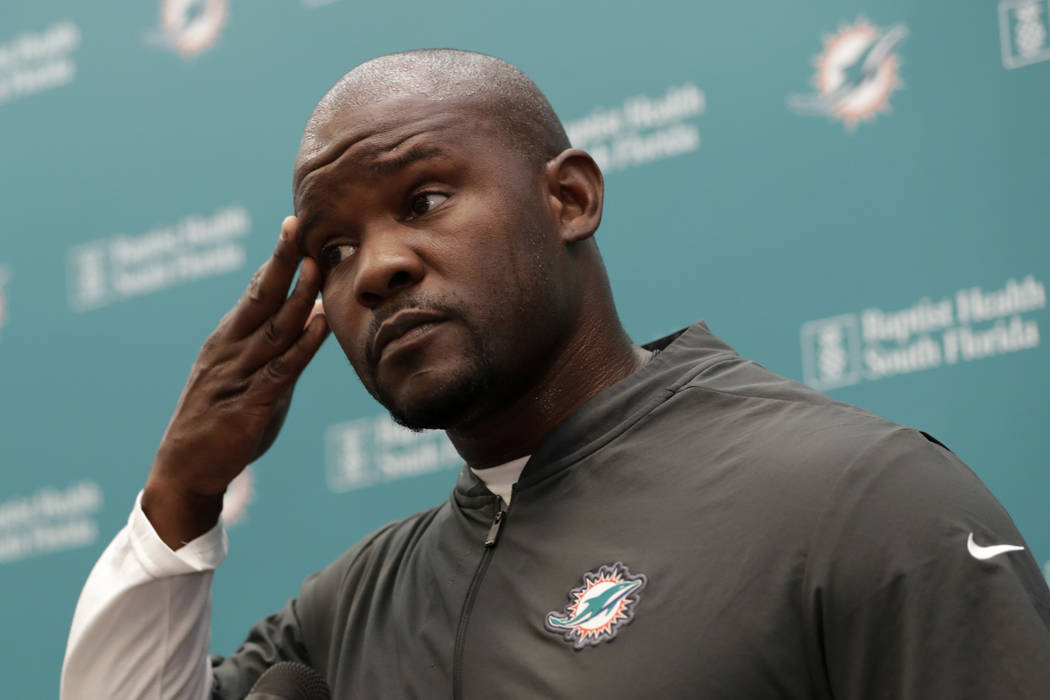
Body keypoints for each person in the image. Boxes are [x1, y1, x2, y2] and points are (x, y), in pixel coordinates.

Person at [61, 49, 1050, 699]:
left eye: (426, 196)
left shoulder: (857, 498)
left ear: (569, 198)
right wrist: (181, 493)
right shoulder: (353, 608)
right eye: (332, 248)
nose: (379, 267)